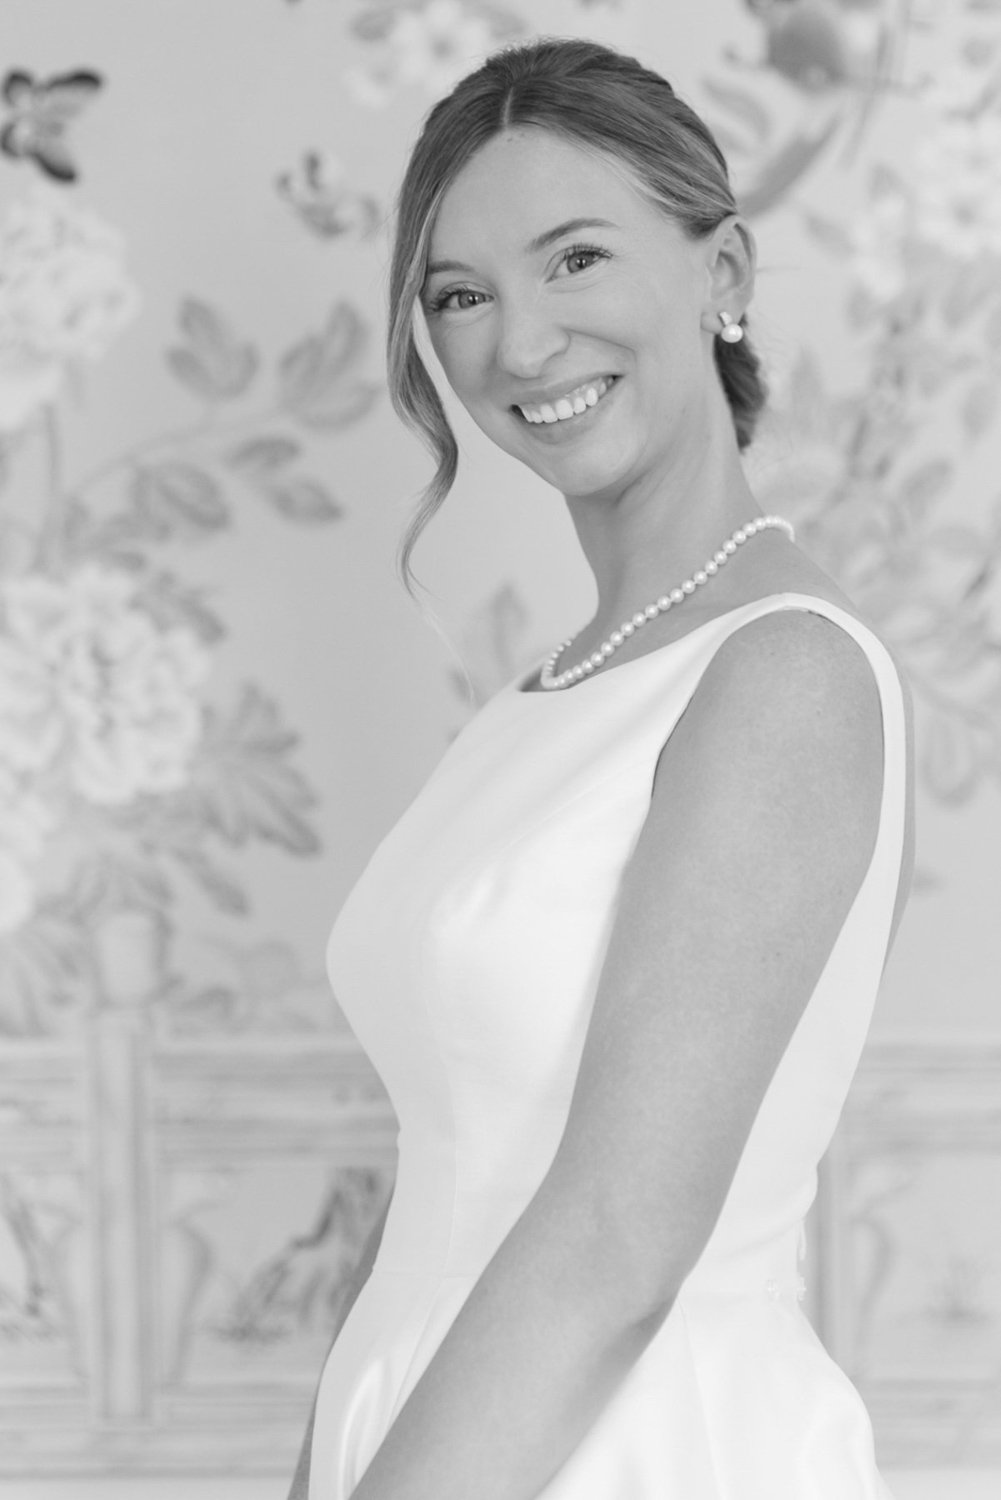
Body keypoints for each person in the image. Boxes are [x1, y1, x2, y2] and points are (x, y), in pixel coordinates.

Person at [288, 36, 914, 1500]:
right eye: (461, 295)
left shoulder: (782, 672)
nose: (520, 345)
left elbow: (621, 1243)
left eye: (575, 259)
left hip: (643, 1447)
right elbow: (437, 1197)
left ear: (721, 272)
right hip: (438, 1434)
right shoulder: (538, 702)